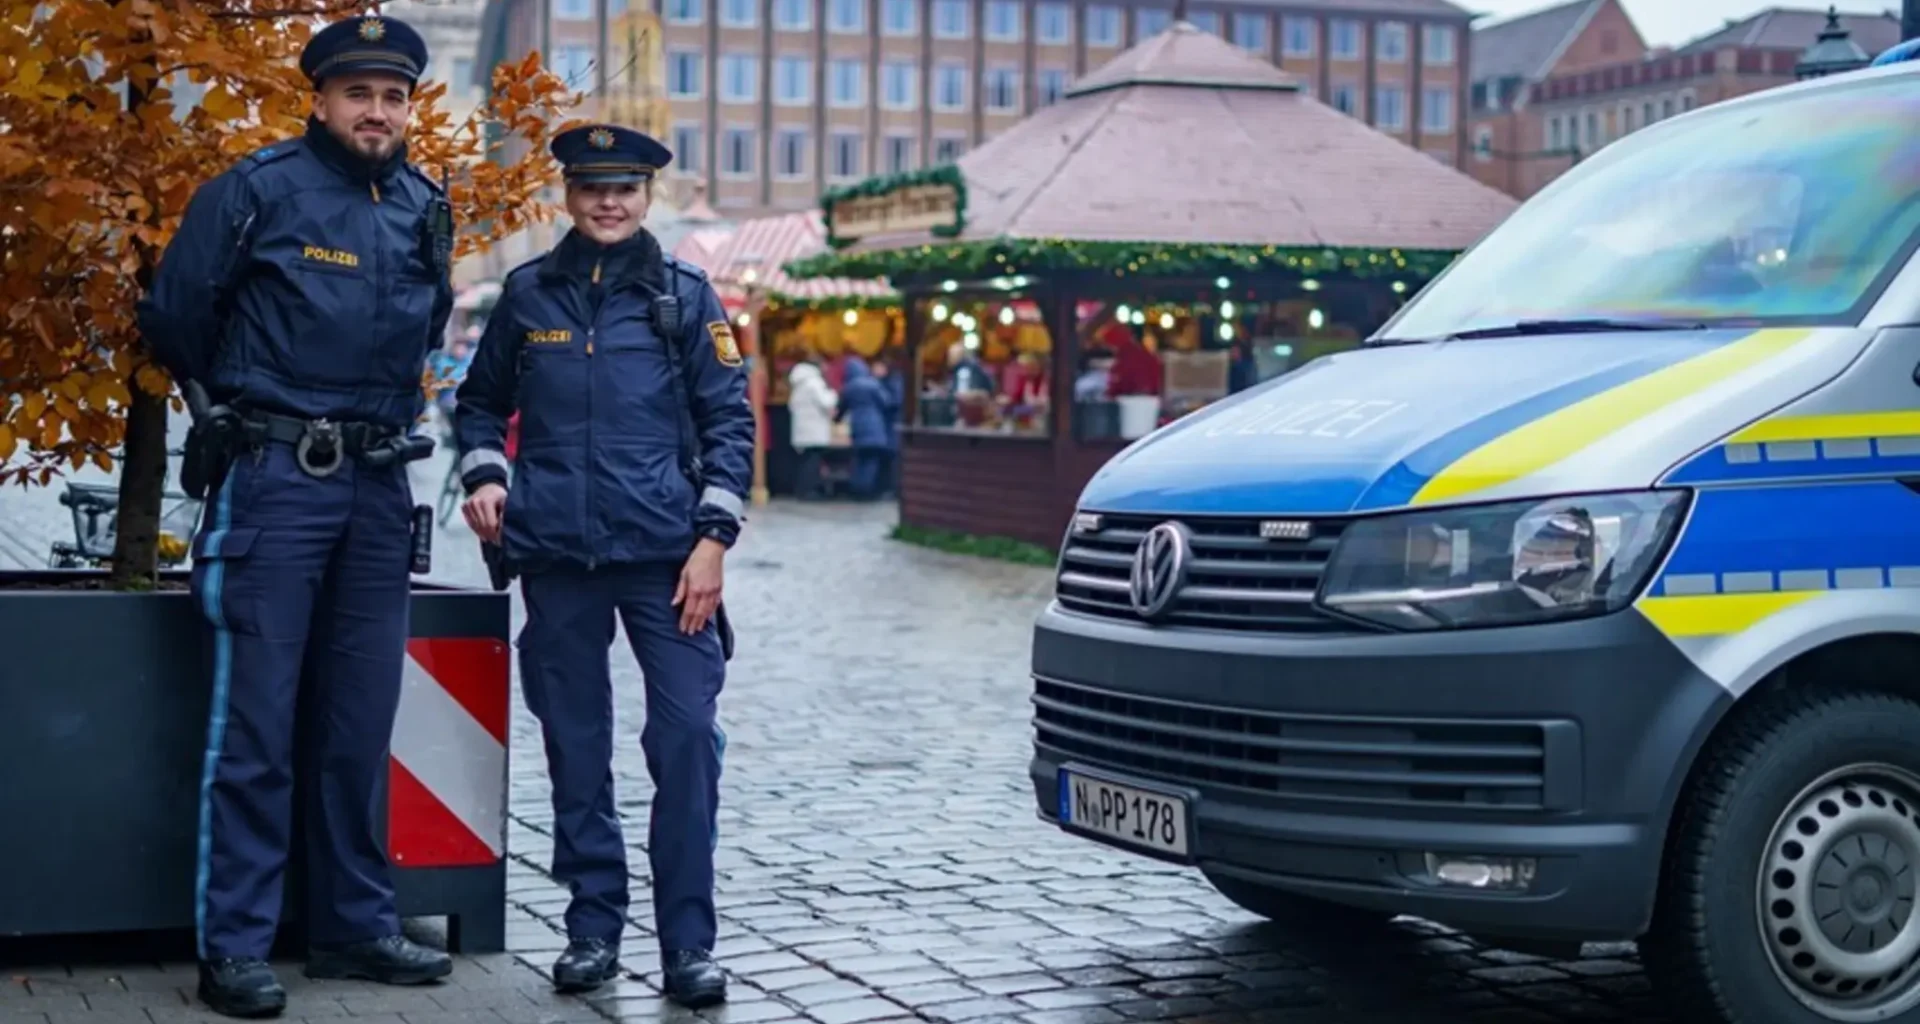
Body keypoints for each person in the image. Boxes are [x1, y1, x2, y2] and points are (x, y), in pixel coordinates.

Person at [134, 13, 456, 1019]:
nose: (377, 111)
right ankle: (232, 945)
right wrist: (235, 409)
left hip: (375, 485)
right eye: (358, 92)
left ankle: (354, 927)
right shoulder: (256, 190)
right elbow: (177, 312)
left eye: (393, 96)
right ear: (318, 98)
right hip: (276, 476)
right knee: (258, 727)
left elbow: (431, 326)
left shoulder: (421, 206)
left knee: (360, 725)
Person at [452, 123, 754, 1007]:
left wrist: (713, 544)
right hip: (555, 557)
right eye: (592, 188)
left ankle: (688, 945)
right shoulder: (527, 296)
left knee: (688, 741)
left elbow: (731, 427)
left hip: (667, 561)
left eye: (623, 188)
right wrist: (485, 475)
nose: (608, 202)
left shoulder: (685, 297)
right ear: (569, 197)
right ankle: (592, 928)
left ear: (647, 196)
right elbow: (478, 405)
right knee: (576, 747)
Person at [833, 355, 894, 500]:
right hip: (875, 426)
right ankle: (866, 491)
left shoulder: (848, 387)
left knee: (859, 459)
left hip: (857, 427)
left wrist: (836, 420)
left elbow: (841, 409)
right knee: (871, 460)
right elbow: (886, 402)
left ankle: (856, 488)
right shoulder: (873, 384)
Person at [785, 353, 837, 499]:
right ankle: (810, 491)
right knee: (812, 462)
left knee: (805, 461)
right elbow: (826, 402)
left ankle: (802, 489)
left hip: (802, 428)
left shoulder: (798, 383)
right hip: (815, 428)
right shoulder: (814, 382)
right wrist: (833, 394)